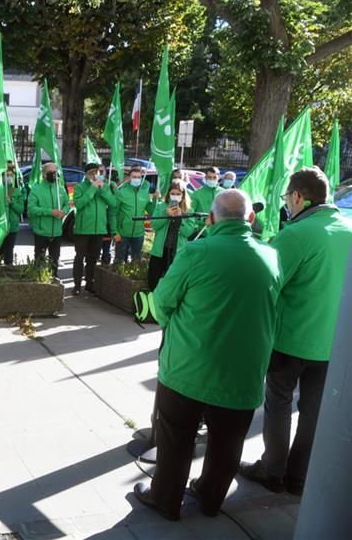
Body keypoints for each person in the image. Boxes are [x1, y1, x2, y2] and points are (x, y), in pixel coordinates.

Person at [133, 189, 281, 521]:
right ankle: (211, 498)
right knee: (228, 442)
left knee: (176, 437)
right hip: (243, 372)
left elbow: (163, 301)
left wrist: (173, 326)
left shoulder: (197, 251)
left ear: (210, 218)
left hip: (189, 367)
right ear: (251, 218)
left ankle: (165, 499)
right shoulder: (270, 255)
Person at [239, 168, 352, 496]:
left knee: (278, 403)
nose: (287, 204)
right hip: (332, 343)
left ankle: (273, 471)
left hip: (291, 339)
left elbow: (267, 282)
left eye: (287, 198)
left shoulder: (296, 234)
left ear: (299, 197)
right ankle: (299, 476)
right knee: (313, 410)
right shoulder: (347, 229)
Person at [72, 162, 117, 294]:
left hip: (99, 230)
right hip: (83, 229)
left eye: (97, 172)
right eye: (91, 173)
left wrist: (103, 190)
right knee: (80, 257)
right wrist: (92, 188)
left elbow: (113, 203)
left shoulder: (105, 187)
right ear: (86, 175)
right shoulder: (80, 187)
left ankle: (90, 283)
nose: (95, 175)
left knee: (92, 259)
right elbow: (79, 204)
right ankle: (77, 285)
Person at [147, 180, 196, 290]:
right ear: (168, 194)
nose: (175, 196)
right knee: (153, 280)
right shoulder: (161, 206)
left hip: (177, 252)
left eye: (178, 194)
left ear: (183, 195)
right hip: (160, 250)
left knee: (173, 282)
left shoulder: (189, 210)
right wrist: (166, 214)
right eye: (173, 193)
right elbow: (154, 225)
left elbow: (188, 232)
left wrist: (180, 218)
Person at [27, 162, 69, 276]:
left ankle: (54, 280)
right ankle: (38, 281)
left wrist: (63, 212)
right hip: (41, 232)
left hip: (57, 232)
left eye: (55, 172)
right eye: (50, 172)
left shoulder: (60, 189)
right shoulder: (36, 190)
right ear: (43, 174)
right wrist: (50, 212)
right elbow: (31, 209)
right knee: (39, 260)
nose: (53, 175)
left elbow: (67, 205)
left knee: (54, 259)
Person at [114, 166, 155, 263]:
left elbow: (151, 211)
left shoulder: (144, 192)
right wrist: (115, 231)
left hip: (139, 233)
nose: (136, 179)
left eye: (138, 177)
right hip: (123, 232)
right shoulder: (121, 192)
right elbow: (114, 213)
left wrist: (155, 200)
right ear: (129, 178)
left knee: (136, 261)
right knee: (119, 261)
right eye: (134, 177)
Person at [190, 167, 223, 233]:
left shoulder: (224, 193)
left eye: (214, 177)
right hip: (201, 231)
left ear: (218, 177)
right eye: (209, 177)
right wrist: (203, 221)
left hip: (219, 231)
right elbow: (191, 213)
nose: (212, 179)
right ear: (205, 178)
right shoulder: (197, 193)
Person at [3, 170, 25, 266]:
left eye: (11, 176)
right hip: (0, 224)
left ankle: (8, 266)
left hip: (13, 226)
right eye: (7, 175)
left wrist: (12, 202)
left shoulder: (16, 191)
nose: (9, 177)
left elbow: (20, 209)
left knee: (9, 249)